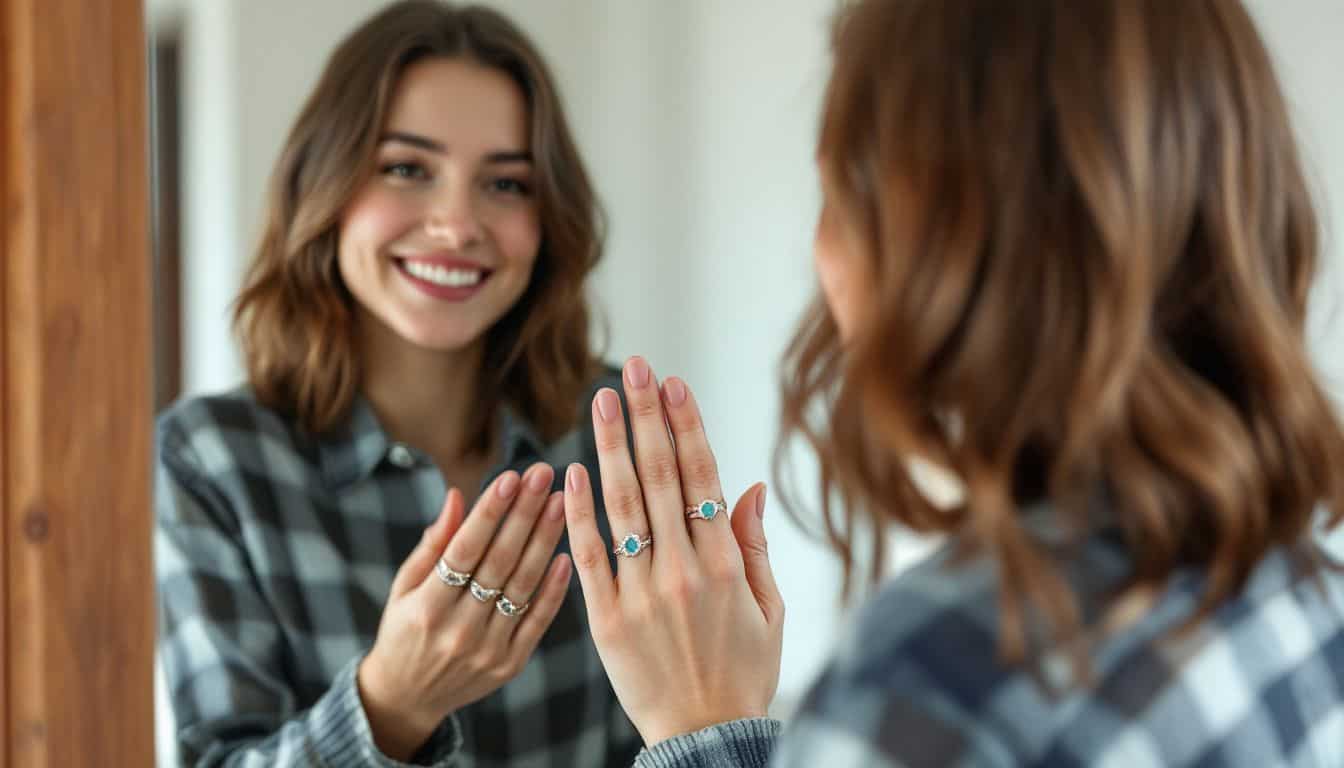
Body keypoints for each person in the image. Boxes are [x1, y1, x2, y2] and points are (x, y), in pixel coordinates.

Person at [561, 1, 1344, 765]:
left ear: (943, 246)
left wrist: (705, 732)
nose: (819, 252)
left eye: (839, 193)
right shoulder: (1310, 589)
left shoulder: (937, 686)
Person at [155, 2, 641, 765]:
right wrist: (392, 703)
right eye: (407, 169)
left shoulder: (614, 430)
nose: (456, 224)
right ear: (327, 186)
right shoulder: (213, 460)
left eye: (507, 184)